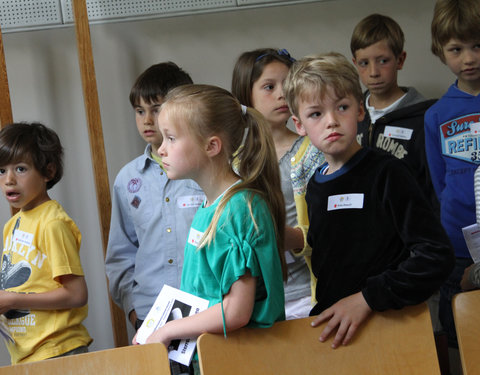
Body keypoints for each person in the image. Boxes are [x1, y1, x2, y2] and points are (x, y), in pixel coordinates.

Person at [283, 52, 454, 349]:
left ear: (360, 111)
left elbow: (436, 257)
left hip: (391, 331)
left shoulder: (387, 173)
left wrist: (368, 298)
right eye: (316, 114)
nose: (332, 121)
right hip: (338, 337)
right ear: (299, 125)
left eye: (342, 107)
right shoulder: (314, 187)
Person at [135, 84, 286, 349]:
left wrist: (169, 330)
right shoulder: (211, 205)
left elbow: (235, 311)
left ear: (211, 146)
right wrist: (156, 327)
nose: (161, 149)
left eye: (171, 138)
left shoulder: (240, 209)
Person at [105, 62, 204, 333]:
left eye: (156, 109)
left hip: (205, 309)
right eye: (139, 111)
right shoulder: (128, 179)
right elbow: (121, 254)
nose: (147, 120)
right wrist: (134, 312)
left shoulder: (205, 168)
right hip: (151, 313)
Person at [232, 48, 320, 319]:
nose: (282, 94)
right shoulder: (232, 161)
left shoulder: (312, 150)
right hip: (255, 299)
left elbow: (328, 229)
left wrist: (283, 237)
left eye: (287, 84)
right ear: (246, 96)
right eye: (269, 87)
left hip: (306, 294)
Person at [0, 122, 92, 364]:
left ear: (48, 172)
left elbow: (76, 294)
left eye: (20, 169)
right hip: (25, 356)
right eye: (1, 170)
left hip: (58, 350)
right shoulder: (12, 226)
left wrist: (13, 300)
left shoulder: (53, 223)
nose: (9, 180)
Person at [426, 0, 480, 349]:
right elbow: (439, 181)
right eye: (456, 49)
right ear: (441, 52)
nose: (469, 58)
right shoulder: (436, 115)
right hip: (459, 241)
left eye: (478, 46)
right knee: (461, 332)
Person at [350, 14, 438, 212]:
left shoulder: (425, 117)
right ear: (355, 63)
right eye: (364, 63)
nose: (373, 72)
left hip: (409, 228)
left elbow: (432, 187)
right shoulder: (350, 115)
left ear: (400, 59)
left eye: (383, 61)